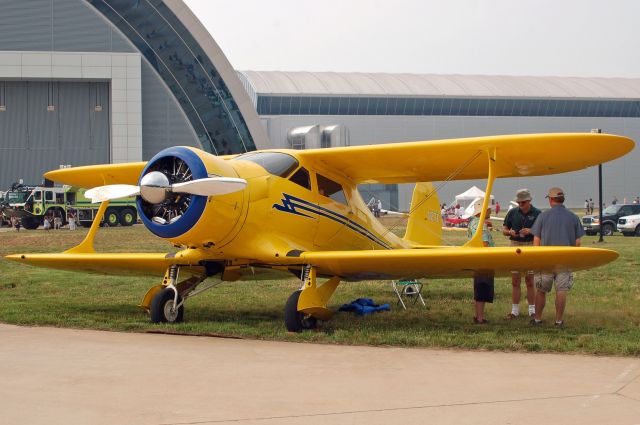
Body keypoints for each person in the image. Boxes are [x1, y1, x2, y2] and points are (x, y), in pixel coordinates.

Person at [530, 187, 585, 327]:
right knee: (561, 291)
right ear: (562, 199)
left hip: (546, 261)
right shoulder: (573, 217)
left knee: (541, 290)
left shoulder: (542, 216)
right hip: (565, 260)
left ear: (551, 200)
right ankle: (559, 321)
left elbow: (536, 241)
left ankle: (537, 319)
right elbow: (578, 242)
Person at [502, 189, 540, 319]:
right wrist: (510, 232)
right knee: (515, 280)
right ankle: (514, 310)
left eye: (523, 202)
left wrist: (531, 230)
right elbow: (504, 229)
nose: (520, 205)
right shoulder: (512, 212)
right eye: (519, 202)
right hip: (515, 245)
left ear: (529, 201)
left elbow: (542, 231)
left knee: (530, 280)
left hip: (530, 246)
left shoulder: (537, 213)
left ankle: (532, 310)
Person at [466, 198, 494, 324]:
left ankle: (478, 316)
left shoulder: (473, 222)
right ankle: (480, 318)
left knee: (478, 288)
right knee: (483, 287)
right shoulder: (480, 225)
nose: (490, 210)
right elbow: (484, 244)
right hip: (484, 260)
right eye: (488, 209)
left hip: (475, 259)